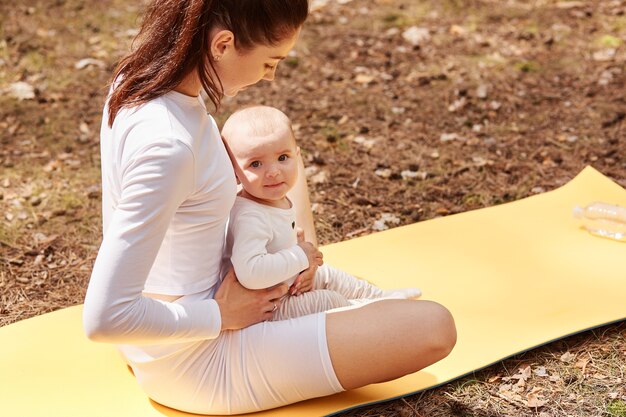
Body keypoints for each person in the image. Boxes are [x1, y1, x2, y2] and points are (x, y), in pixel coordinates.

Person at [82, 0, 457, 415]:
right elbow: (105, 317)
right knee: (433, 327)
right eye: (270, 62)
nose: (271, 75)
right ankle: (310, 278)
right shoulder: (169, 148)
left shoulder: (136, 79)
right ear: (222, 44)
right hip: (196, 360)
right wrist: (220, 315)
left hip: (211, 298)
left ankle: (305, 271)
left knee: (277, 148)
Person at [221, 106, 422, 320]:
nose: (273, 171)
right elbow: (251, 272)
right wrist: (300, 256)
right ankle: (369, 311)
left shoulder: (270, 197)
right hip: (271, 305)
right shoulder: (249, 217)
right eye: (256, 163)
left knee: (330, 275)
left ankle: (380, 296)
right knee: (328, 301)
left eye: (282, 158)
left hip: (287, 280)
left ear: (297, 155)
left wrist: (305, 263)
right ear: (234, 171)